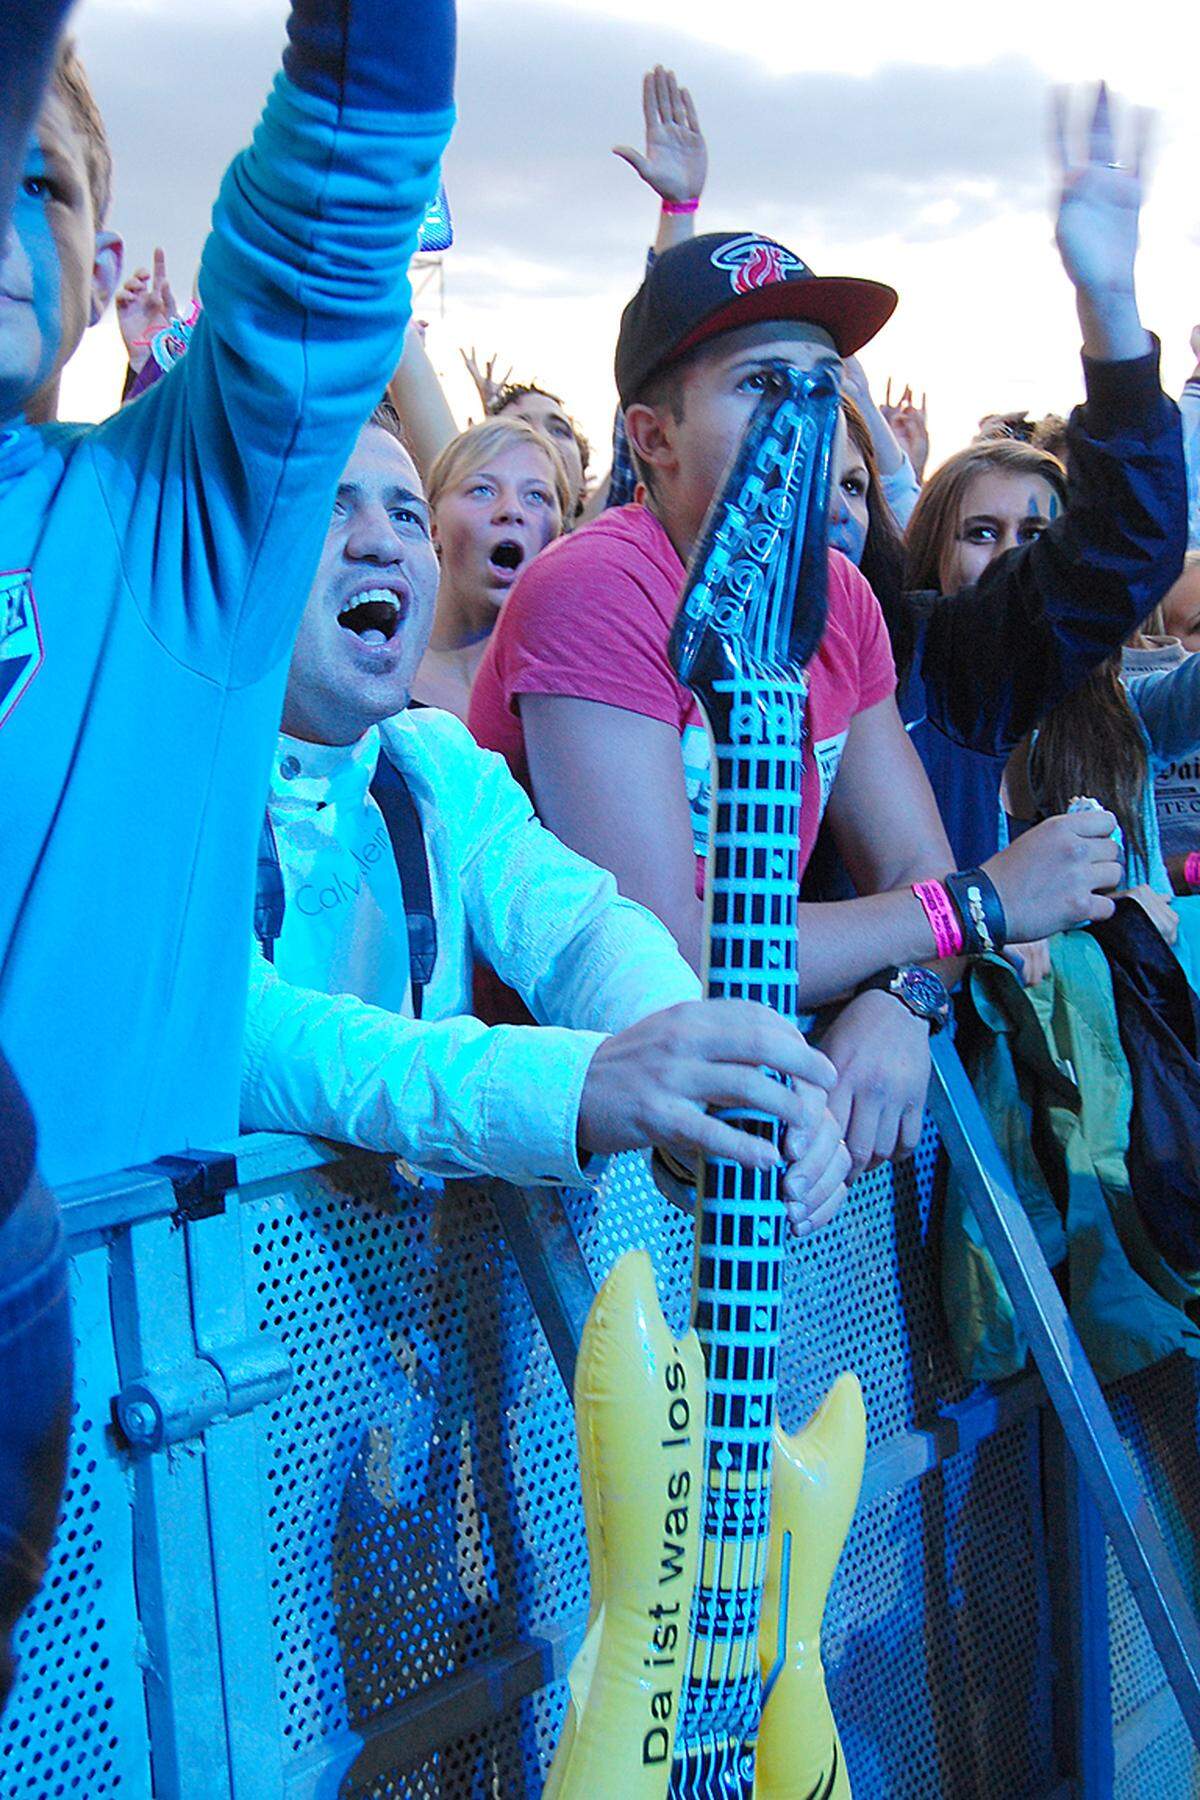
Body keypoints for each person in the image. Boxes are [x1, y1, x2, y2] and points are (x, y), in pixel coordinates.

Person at [470, 218, 1126, 1177]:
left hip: (745, 1133)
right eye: (762, 385)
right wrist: (980, 907)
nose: (804, 417)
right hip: (556, 1155)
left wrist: (905, 1000)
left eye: (822, 385)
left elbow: (914, 864)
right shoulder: (598, 585)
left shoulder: (842, 596)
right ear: (652, 439)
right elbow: (668, 954)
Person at [1, 0, 457, 1187]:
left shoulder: (171, 523)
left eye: (37, 181)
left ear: (102, 275)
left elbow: (342, 187)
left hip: (82, 1349)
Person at [242, 408, 852, 1228]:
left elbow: (578, 929)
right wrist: (576, 1087)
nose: (380, 540)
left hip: (420, 1312)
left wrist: (707, 1080)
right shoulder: (153, 778)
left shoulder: (435, 761)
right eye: (329, 505)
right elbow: (255, 1036)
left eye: (405, 513)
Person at [410, 418, 570, 718]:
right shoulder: (373, 666)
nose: (512, 510)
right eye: (482, 490)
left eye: (536, 496)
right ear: (432, 525)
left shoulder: (570, 687)